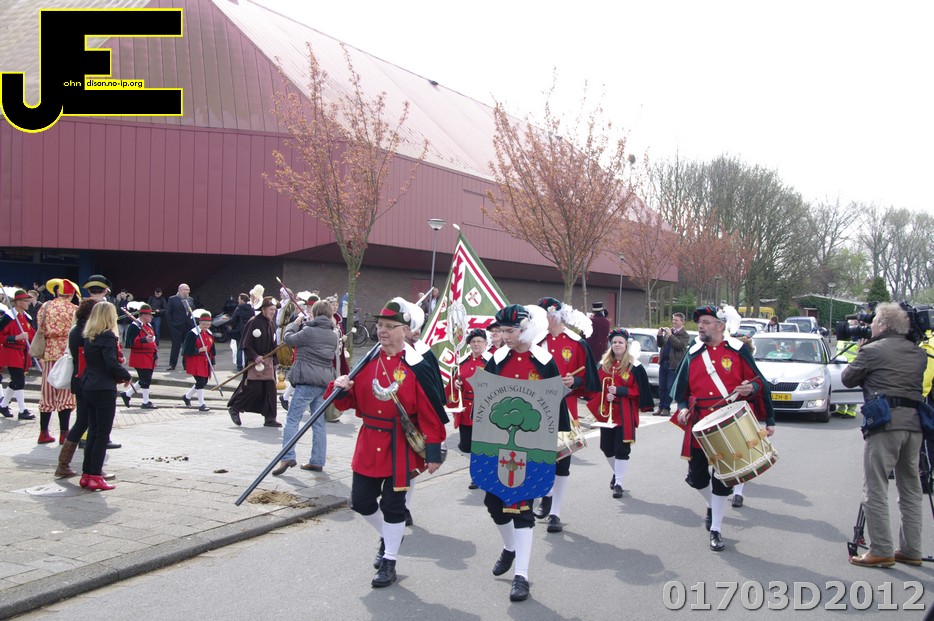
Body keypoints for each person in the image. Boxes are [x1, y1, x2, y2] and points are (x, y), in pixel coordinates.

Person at [325, 299, 446, 588]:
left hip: (400, 445)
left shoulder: (416, 366)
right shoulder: (366, 363)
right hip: (369, 441)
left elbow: (430, 412)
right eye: (380, 326)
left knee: (394, 505)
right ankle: (390, 535)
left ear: (405, 330)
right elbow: (344, 403)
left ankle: (389, 560)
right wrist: (340, 388)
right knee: (361, 501)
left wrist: (433, 451)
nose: (382, 331)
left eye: (390, 327)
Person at [482, 304, 571, 602]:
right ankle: (510, 548)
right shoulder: (497, 359)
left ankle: (521, 576)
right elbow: (485, 401)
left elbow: (556, 405)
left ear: (525, 329)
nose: (505, 336)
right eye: (502, 331)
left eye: (510, 331)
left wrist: (555, 443)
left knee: (522, 510)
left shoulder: (545, 361)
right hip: (498, 445)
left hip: (532, 447)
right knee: (494, 504)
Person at [671, 305, 775, 552]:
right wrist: (683, 408)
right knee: (696, 477)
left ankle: (716, 528)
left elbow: (760, 382)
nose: (701, 326)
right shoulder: (693, 352)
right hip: (700, 422)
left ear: (720, 326)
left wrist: (753, 391)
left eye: (706, 322)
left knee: (722, 478)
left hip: (729, 422)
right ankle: (712, 504)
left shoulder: (737, 350)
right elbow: (681, 390)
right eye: (700, 323)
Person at [842, 302, 928, 568]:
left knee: (875, 487)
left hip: (884, 425)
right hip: (914, 426)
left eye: (874, 321)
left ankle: (881, 549)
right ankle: (911, 549)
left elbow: (847, 378)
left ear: (883, 325)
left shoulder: (872, 350)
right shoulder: (918, 353)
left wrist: (863, 348)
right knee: (910, 488)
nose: (870, 325)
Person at [532, 297, 599, 533]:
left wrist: (575, 380)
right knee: (540, 459)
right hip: (537, 408)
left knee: (562, 462)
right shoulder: (534, 342)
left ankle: (555, 513)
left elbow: (590, 379)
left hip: (565, 409)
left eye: (545, 315)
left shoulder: (576, 343)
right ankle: (547, 494)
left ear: (556, 316)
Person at [271, 299, 339, 476]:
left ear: (314, 313)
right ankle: (317, 461)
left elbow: (288, 340)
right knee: (318, 422)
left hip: (307, 381)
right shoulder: (333, 334)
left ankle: (287, 456)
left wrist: (295, 323)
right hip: (324, 382)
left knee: (292, 419)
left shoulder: (309, 331)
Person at [587, 328, 654, 498]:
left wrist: (619, 391)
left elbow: (639, 391)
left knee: (621, 449)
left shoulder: (634, 366)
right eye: (614, 342)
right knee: (606, 447)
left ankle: (619, 484)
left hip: (625, 413)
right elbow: (595, 387)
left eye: (620, 342)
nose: (617, 345)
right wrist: (605, 395)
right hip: (607, 412)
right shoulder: (603, 365)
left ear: (626, 345)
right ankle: (617, 473)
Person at [79, 302, 131, 491]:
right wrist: (126, 375)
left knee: (93, 431)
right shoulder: (108, 336)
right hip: (103, 387)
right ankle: (95, 476)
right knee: (102, 434)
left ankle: (86, 474)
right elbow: (110, 363)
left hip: (89, 385)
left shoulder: (89, 336)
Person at [36, 279, 79, 444]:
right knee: (65, 393)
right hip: (67, 353)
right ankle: (64, 433)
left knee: (47, 392)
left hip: (48, 353)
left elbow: (40, 326)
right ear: (71, 294)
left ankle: (43, 432)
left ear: (57, 292)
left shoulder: (45, 307)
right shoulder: (74, 309)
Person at [227, 297, 280, 427]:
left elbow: (274, 345)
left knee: (270, 390)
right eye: (271, 309)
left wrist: (275, 361)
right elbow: (246, 343)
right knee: (253, 389)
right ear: (263, 309)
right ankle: (235, 408)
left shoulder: (271, 324)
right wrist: (255, 356)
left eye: (274, 310)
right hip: (255, 363)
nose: (273, 312)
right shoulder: (254, 322)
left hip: (268, 363)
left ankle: (270, 418)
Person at [448, 328, 491, 489]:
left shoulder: (491, 362)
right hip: (466, 410)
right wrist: (456, 384)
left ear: (485, 344)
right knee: (468, 445)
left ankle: (479, 475)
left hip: (484, 409)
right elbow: (453, 383)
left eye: (479, 341)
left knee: (481, 445)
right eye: (473, 341)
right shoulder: (462, 362)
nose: (476, 344)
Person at [0, 289, 37, 420]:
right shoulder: (8, 317)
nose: (28, 303)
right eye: (26, 301)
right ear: (19, 302)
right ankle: (22, 410)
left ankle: (3, 405)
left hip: (23, 353)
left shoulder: (26, 317)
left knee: (16, 381)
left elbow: (32, 335)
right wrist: (15, 338)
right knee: (19, 380)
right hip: (11, 352)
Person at [121, 304, 159, 409]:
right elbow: (131, 343)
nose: (151, 317)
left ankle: (127, 394)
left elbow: (153, 342)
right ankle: (145, 401)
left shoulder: (148, 326)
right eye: (150, 315)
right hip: (140, 357)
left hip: (149, 356)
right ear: (144, 315)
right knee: (145, 379)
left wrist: (155, 355)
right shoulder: (134, 326)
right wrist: (144, 340)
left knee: (145, 379)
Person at [656, 313, 691, 417]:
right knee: (662, 386)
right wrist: (659, 336)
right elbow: (660, 344)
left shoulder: (685, 335)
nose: (673, 322)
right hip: (664, 362)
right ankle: (660, 407)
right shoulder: (669, 333)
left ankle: (666, 408)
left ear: (682, 322)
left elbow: (680, 346)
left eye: (676, 320)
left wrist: (670, 335)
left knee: (669, 387)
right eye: (673, 320)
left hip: (674, 364)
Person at [181, 309, 215, 412]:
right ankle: (201, 404)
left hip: (205, 361)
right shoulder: (193, 334)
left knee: (204, 381)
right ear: (200, 323)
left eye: (208, 324)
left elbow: (212, 349)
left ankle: (187, 396)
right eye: (204, 324)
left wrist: (213, 362)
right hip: (194, 359)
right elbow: (186, 349)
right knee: (200, 381)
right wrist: (198, 350)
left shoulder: (209, 333)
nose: (206, 326)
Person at [165, 283, 193, 370]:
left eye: (188, 290)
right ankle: (172, 364)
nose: (188, 292)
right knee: (176, 346)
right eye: (186, 290)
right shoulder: (173, 299)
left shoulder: (191, 300)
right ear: (180, 290)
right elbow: (168, 313)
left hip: (188, 326)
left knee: (187, 346)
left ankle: (186, 364)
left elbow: (193, 311)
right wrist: (171, 325)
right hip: (176, 326)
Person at [229, 293, 254, 372]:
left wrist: (228, 321)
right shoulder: (251, 309)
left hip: (239, 331)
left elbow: (233, 319)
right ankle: (247, 365)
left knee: (239, 348)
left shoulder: (238, 309)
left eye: (239, 299)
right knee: (247, 348)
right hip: (248, 330)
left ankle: (239, 366)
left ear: (243, 300)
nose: (238, 300)